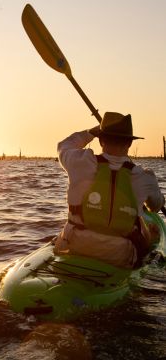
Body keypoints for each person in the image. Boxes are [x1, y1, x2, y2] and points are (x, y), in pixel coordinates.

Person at [53, 112, 165, 268]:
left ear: (100, 140)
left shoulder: (81, 161)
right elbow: (155, 207)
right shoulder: (144, 177)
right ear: (129, 144)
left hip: (74, 246)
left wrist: (90, 132)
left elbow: (63, 146)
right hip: (118, 256)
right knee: (147, 229)